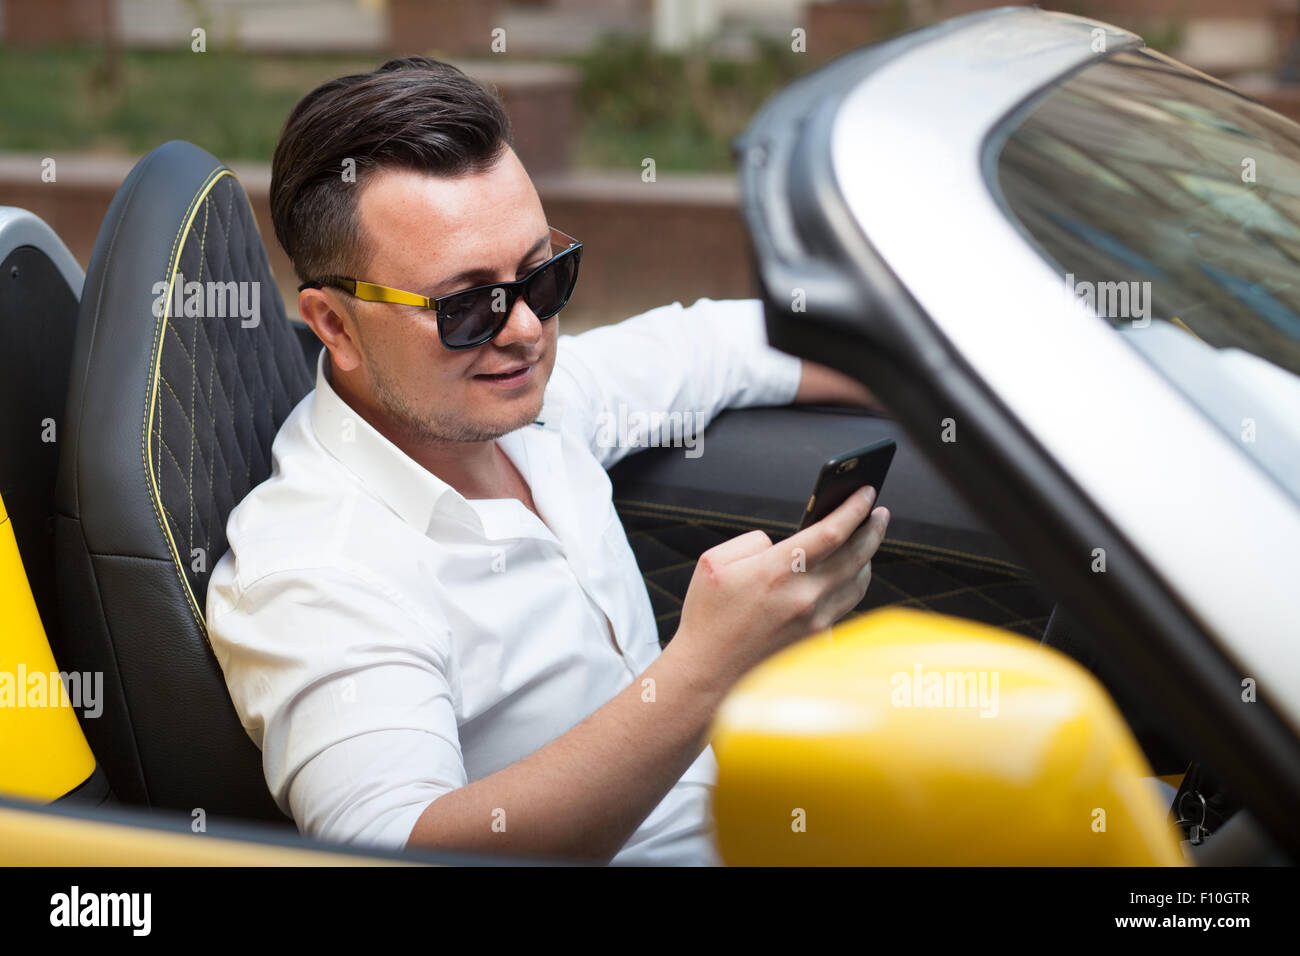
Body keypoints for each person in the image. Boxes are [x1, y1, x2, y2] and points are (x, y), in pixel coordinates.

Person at [206, 56, 890, 866]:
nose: (526, 330)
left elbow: (714, 346)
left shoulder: (524, 405)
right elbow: (398, 851)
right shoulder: (314, 572)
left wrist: (943, 377)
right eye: (465, 306)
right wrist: (703, 672)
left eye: (544, 275)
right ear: (335, 326)